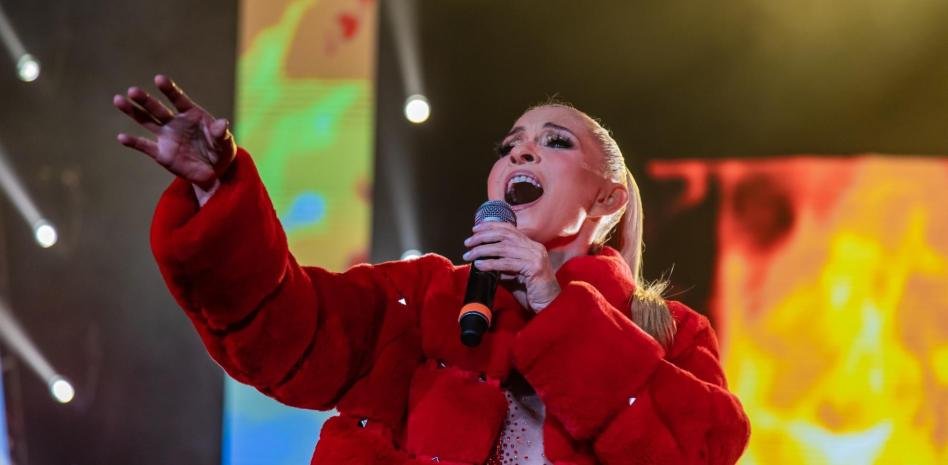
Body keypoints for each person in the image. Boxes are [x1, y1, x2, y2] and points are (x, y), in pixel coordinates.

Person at [114, 75, 750, 465]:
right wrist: (219, 191)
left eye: (555, 141)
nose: (522, 152)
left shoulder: (670, 333)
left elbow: (698, 453)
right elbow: (284, 329)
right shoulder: (423, 299)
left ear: (608, 199)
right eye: (510, 146)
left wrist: (555, 305)